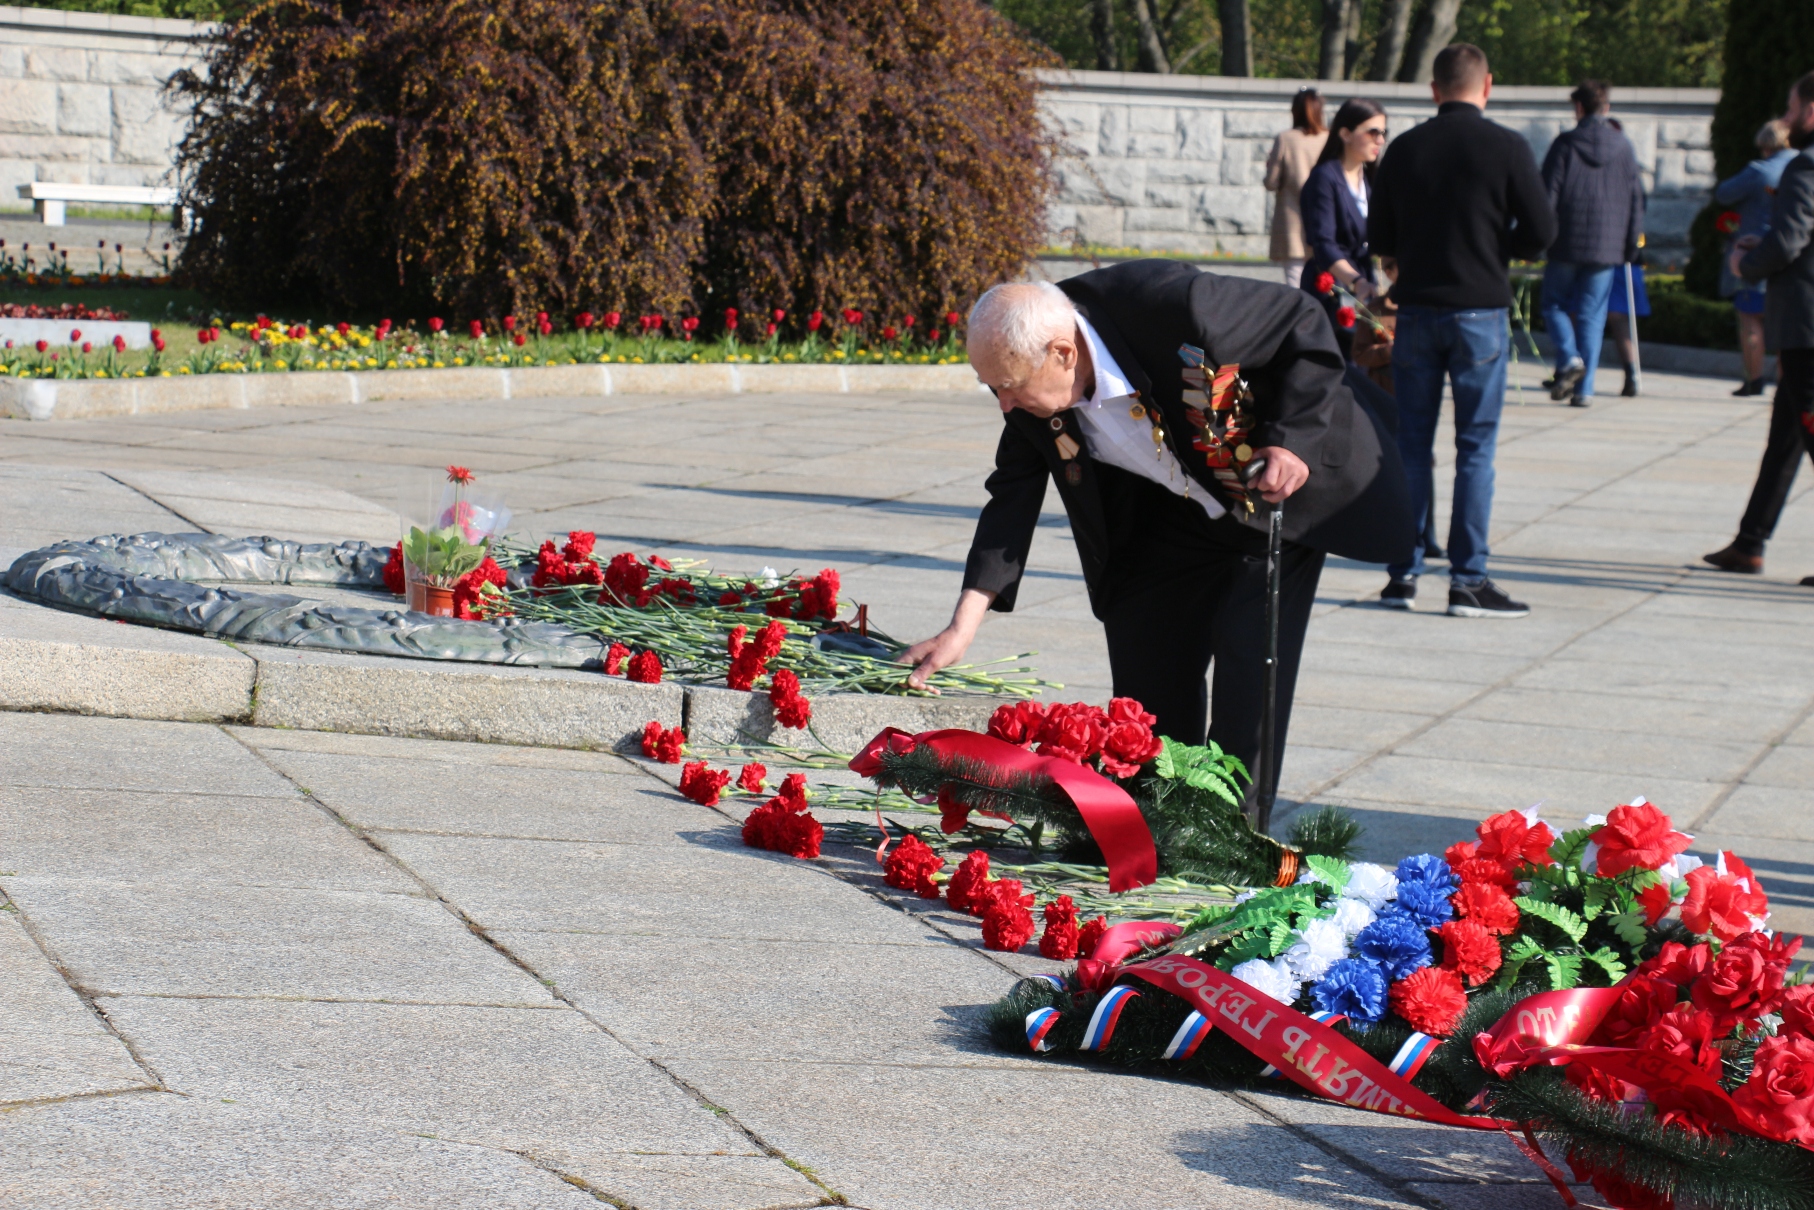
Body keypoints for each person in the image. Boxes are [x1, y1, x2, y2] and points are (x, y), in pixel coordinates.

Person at [902, 270, 1411, 800]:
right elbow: (1011, 498)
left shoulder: (1181, 307)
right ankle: (1159, 818)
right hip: (1169, 512)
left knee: (1247, 675)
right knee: (1148, 669)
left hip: (1268, 493)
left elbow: (1302, 321)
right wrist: (960, 628)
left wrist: (1291, 441)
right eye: (992, 388)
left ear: (1063, 353)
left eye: (1008, 387)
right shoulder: (1031, 385)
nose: (1004, 406)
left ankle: (1230, 835)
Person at [1368, 43, 1557, 617]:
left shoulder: (1404, 148)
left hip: (1419, 309)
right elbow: (1543, 228)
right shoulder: (1507, 146)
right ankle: (1468, 578)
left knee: (1411, 447)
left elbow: (1380, 235)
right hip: (1479, 311)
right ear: (1487, 86)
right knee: (1474, 449)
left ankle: (1402, 573)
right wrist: (1504, 248)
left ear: (1433, 89)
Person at [1703, 73, 1814, 580]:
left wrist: (1747, 262)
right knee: (1785, 438)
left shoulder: (1806, 168)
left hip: (1806, 326)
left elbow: (1789, 241)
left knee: (1804, 430)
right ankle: (1750, 542)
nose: (1787, 119)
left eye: (1792, 108)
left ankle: (1749, 542)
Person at [1539, 79, 1644, 409]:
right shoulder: (1624, 147)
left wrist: (1539, 236)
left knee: (1553, 304)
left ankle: (1569, 358)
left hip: (1566, 242)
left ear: (1579, 108)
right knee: (1592, 316)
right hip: (1607, 246)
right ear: (1606, 108)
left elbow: (1548, 195)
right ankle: (1586, 390)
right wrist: (1632, 244)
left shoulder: (1566, 144)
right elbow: (1636, 199)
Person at [1298, 98, 1388, 358]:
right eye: (1372, 132)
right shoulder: (1324, 179)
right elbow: (1323, 243)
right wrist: (1356, 281)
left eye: (1383, 133)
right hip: (1331, 291)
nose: (1380, 140)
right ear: (1345, 134)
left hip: (1360, 287)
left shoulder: (1368, 179)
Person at [1716, 119, 1797, 397]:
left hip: (1755, 254)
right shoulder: (1802, 166)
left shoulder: (1759, 171)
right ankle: (1787, 386)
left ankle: (1755, 380)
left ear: (1765, 145)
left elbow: (1724, 193)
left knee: (1751, 320)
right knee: (1789, 328)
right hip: (1793, 256)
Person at [1265, 89, 1326, 289]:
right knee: (1327, 285)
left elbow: (1271, 182)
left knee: (1295, 283)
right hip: (1324, 220)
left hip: (1293, 221)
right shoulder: (1330, 138)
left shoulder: (1285, 139)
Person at [1604, 255, 1648, 397]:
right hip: (1624, 261)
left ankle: (1569, 365)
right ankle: (1632, 375)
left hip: (1610, 263)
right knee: (1619, 320)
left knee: (1579, 314)